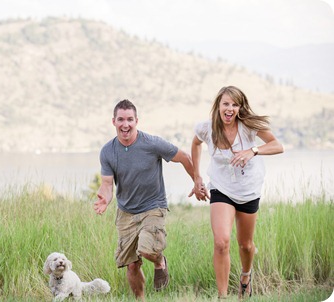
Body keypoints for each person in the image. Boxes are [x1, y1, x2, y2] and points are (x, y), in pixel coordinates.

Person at [93, 99, 201, 300]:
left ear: (137, 121)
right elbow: (107, 185)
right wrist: (104, 200)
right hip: (125, 211)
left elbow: (184, 157)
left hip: (153, 207)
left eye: (130, 119)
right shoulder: (107, 151)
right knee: (132, 264)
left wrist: (197, 181)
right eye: (121, 119)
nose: (126, 124)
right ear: (113, 122)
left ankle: (160, 262)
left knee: (147, 249)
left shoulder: (152, 143)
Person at [190, 86, 284, 299]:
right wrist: (197, 177)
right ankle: (222, 296)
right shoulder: (207, 128)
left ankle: (245, 275)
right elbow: (196, 144)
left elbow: (277, 146)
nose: (230, 108)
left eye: (234, 104)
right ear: (218, 106)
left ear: (240, 108)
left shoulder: (249, 126)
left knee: (246, 245)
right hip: (221, 188)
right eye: (226, 104)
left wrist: (253, 150)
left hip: (248, 189)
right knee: (222, 242)